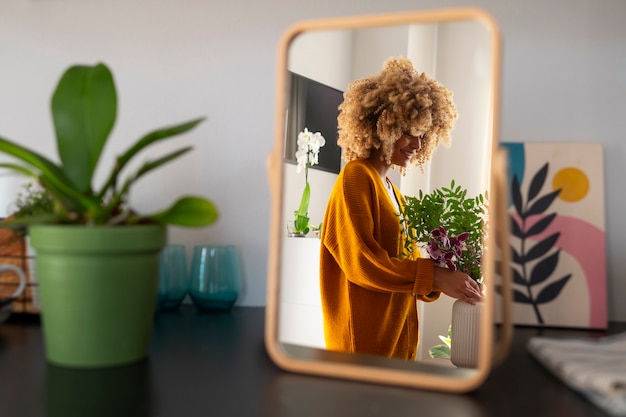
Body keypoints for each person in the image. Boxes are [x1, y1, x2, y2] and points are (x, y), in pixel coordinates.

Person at [319, 57, 484, 360]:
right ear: (382, 126)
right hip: (363, 347)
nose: (418, 145)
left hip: (398, 342)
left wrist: (454, 271)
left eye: (423, 135)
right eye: (409, 132)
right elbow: (363, 264)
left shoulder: (395, 193)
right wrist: (434, 277)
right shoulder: (356, 178)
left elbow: (408, 264)